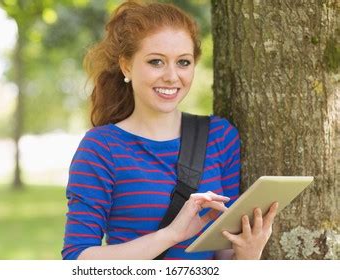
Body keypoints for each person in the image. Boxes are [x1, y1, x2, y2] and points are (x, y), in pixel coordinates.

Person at [61, 0, 278, 260]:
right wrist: (170, 235)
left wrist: (248, 255)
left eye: (183, 62)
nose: (172, 76)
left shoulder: (220, 137)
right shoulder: (101, 148)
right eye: (156, 62)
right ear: (126, 66)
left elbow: (223, 255)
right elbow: (77, 260)